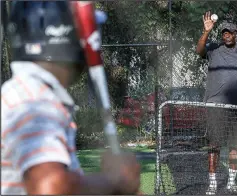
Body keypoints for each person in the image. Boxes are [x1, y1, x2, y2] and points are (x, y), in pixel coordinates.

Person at [1, 1, 140, 195]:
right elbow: (49, 187)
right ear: (65, 36)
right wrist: (114, 181)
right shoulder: (33, 99)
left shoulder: (27, 92)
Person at [196, 11, 237, 195]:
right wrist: (206, 31)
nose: (227, 35)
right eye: (224, 32)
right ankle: (213, 184)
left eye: (230, 32)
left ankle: (231, 182)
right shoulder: (213, 49)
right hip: (216, 107)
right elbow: (199, 50)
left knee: (235, 146)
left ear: (236, 34)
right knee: (214, 145)